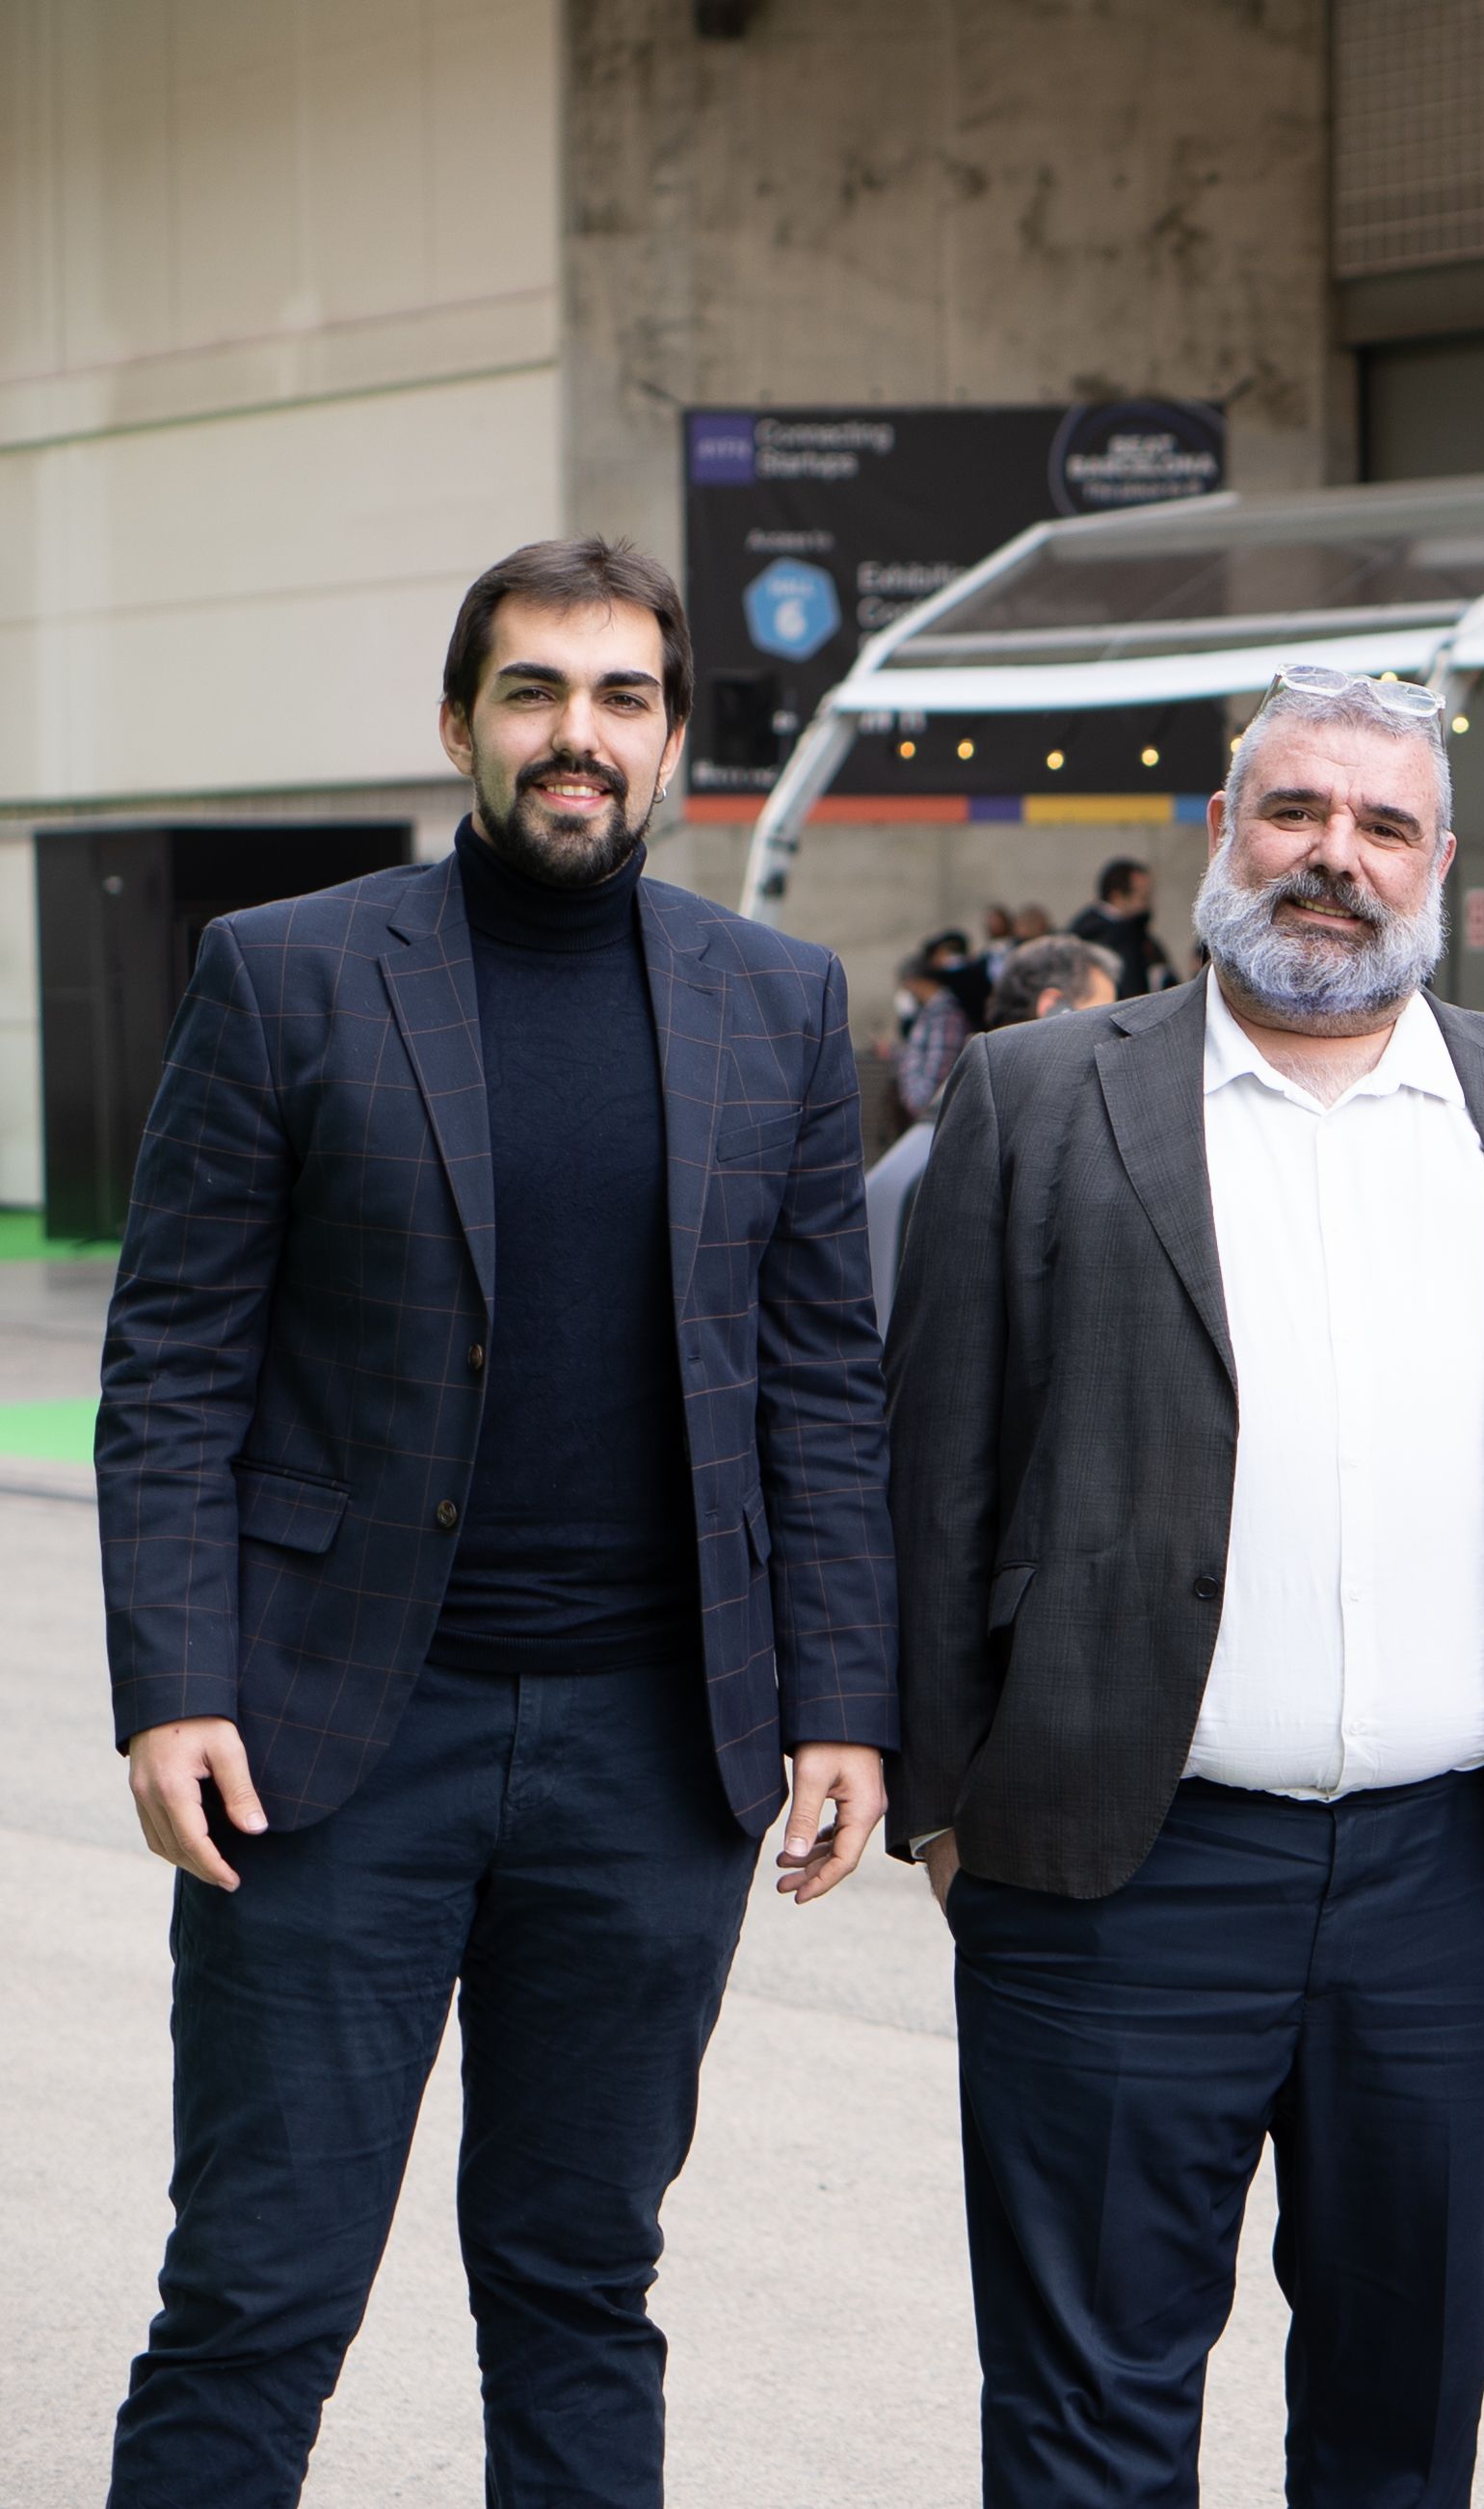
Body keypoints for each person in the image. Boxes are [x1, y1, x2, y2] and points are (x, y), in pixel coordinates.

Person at [94, 538, 899, 2505]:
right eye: (534, 692)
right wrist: (172, 1678)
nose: (576, 736)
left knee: (578, 2278)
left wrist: (843, 1696)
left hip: (650, 1752)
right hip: (330, 1743)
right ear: (459, 723)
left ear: (675, 743)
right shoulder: (288, 973)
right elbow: (177, 1357)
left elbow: (817, 1378)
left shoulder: (774, 1004)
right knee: (259, 2284)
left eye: (622, 699)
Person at [888, 661, 1484, 2507]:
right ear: (1222, 834)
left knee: (1401, 2430)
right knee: (1085, 2424)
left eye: (1383, 824)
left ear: (1440, 865)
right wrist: (953, 1814)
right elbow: (929, 1469)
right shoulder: (1033, 1097)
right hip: (1111, 1879)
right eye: (1297, 811)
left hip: (1478, 1893)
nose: (1335, 857)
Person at [867, 934, 1117, 1336]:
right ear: (1053, 1006)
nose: (1117, 1039)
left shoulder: (955, 1122)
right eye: (1104, 1016)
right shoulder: (998, 1142)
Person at [1069, 852, 1179, 997]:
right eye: (1143, 898)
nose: (1148, 906)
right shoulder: (1107, 936)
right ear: (1117, 897)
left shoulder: (1130, 934)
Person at [892, 938, 973, 1123]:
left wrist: (921, 1105)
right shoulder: (928, 1013)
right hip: (928, 1116)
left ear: (915, 982)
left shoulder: (945, 1015)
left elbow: (940, 1067)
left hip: (934, 1118)